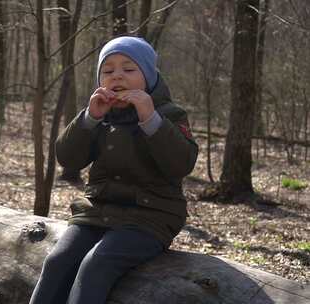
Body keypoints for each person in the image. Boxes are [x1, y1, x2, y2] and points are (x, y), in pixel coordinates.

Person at [28, 36, 199, 304]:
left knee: (97, 263)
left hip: (151, 216)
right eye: (108, 71)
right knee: (58, 260)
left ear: (149, 76)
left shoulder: (170, 114)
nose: (117, 76)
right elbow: (68, 158)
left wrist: (151, 119)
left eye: (129, 69)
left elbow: (181, 164)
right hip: (97, 211)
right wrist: (89, 118)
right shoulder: (102, 113)